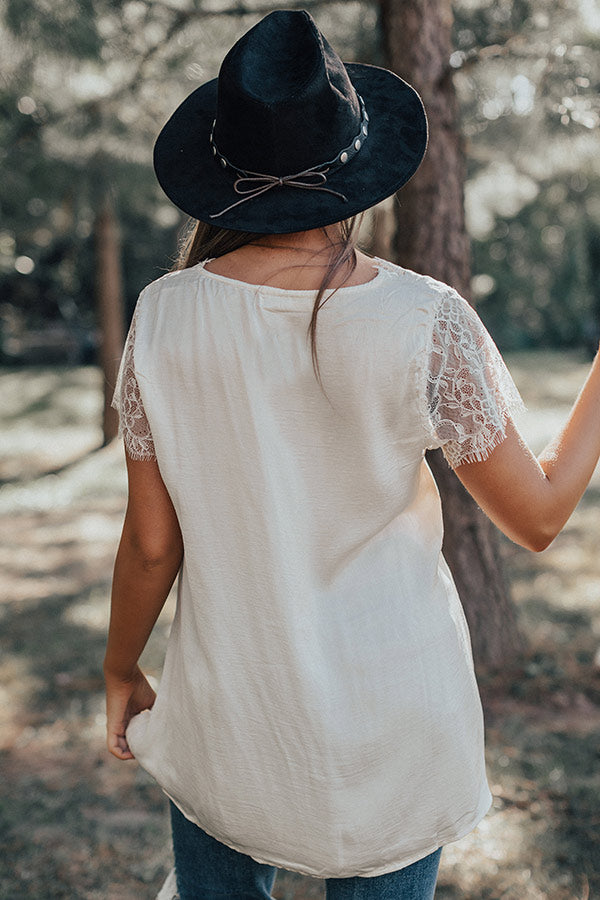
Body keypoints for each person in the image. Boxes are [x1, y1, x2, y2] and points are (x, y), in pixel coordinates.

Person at [103, 10, 600, 900]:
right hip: (391, 728)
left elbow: (149, 545)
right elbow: (538, 517)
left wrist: (117, 667)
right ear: (355, 168)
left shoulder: (162, 316)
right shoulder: (422, 319)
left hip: (230, 716)